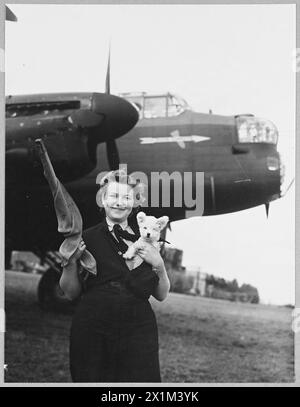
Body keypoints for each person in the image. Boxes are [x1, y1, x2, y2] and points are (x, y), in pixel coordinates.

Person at [59, 169, 170, 383]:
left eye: (126, 197)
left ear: (134, 203)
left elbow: (162, 294)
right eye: (113, 196)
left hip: (139, 327)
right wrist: (70, 262)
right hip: (93, 325)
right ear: (103, 200)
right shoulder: (86, 238)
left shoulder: (150, 239)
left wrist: (159, 264)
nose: (119, 202)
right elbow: (71, 293)